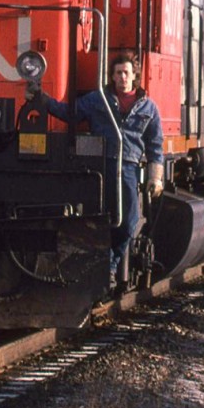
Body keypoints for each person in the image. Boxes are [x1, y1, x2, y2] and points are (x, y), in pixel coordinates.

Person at [28, 51, 164, 289]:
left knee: (129, 221)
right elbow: (69, 114)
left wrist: (156, 177)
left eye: (126, 73)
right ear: (112, 76)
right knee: (96, 218)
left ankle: (110, 265)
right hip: (100, 167)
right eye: (118, 73)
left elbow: (155, 145)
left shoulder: (149, 108)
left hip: (129, 167)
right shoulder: (97, 99)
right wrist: (42, 98)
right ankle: (95, 267)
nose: (122, 77)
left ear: (135, 76)